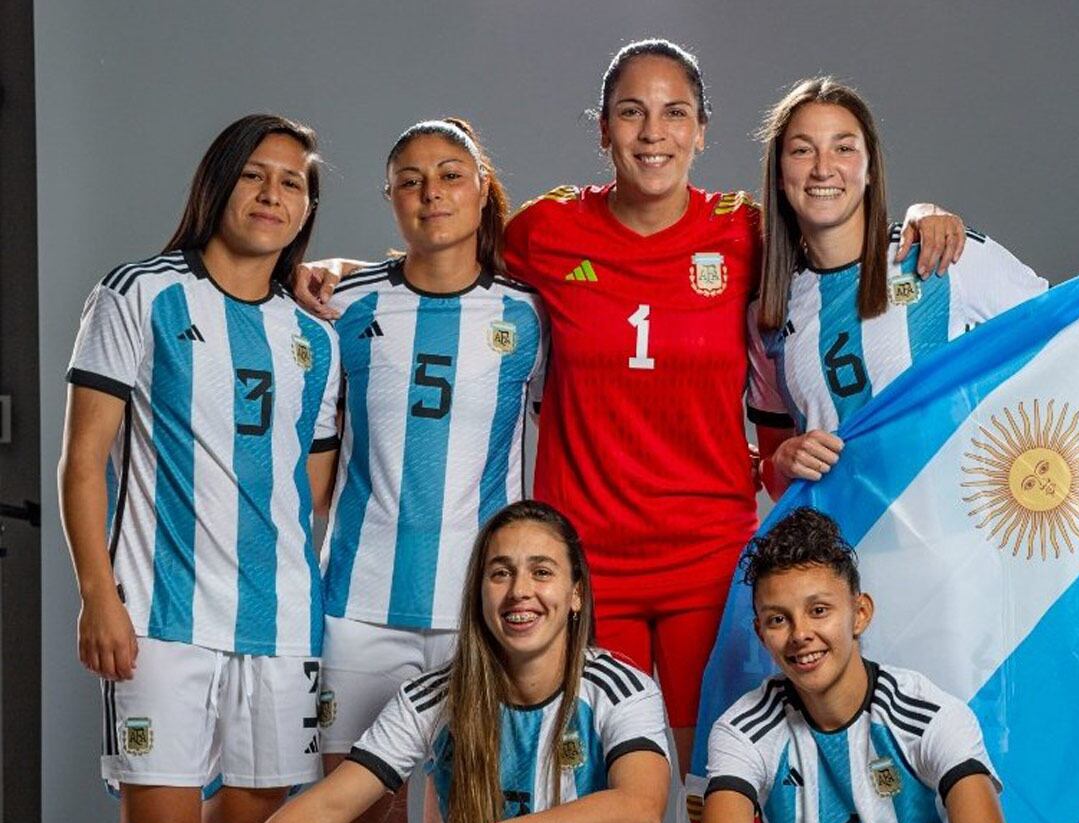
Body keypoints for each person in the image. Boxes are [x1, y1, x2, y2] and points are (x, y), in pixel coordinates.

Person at [292, 40, 962, 781]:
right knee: (603, 786)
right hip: (586, 557)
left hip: (709, 551)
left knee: (725, 780)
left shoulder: (745, 232)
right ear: (602, 129)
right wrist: (348, 272)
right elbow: (445, 257)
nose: (653, 133)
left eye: (675, 113)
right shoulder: (546, 231)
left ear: (703, 129)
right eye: (631, 113)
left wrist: (922, 216)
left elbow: (838, 227)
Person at [59, 114, 340, 823]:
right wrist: (99, 593)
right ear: (218, 182)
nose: (272, 193)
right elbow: (84, 460)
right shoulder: (139, 293)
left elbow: (309, 491)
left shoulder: (317, 338)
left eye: (292, 182)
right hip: (158, 613)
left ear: (307, 208)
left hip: (280, 621)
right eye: (254, 173)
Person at [746, 77, 1079, 499]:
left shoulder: (939, 254)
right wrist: (783, 462)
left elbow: (1076, 333)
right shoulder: (769, 309)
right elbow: (776, 473)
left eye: (844, 148)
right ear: (780, 171)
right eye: (802, 151)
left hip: (960, 546)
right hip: (841, 556)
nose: (824, 168)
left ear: (868, 167)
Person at [315, 118, 546, 823]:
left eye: (450, 174)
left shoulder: (527, 314)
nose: (431, 192)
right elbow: (313, 466)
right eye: (410, 179)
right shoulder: (344, 306)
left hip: (475, 612)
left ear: (482, 189)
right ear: (390, 198)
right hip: (358, 608)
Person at [228, 499, 672, 823]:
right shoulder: (434, 697)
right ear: (479, 594)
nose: (520, 590)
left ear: (576, 593)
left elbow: (641, 806)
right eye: (500, 573)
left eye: (541, 572)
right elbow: (326, 807)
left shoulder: (618, 688)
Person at [699, 507, 1011, 823]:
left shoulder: (930, 715)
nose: (800, 634)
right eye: (778, 619)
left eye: (818, 610)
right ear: (761, 634)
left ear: (859, 614)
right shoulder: (742, 728)